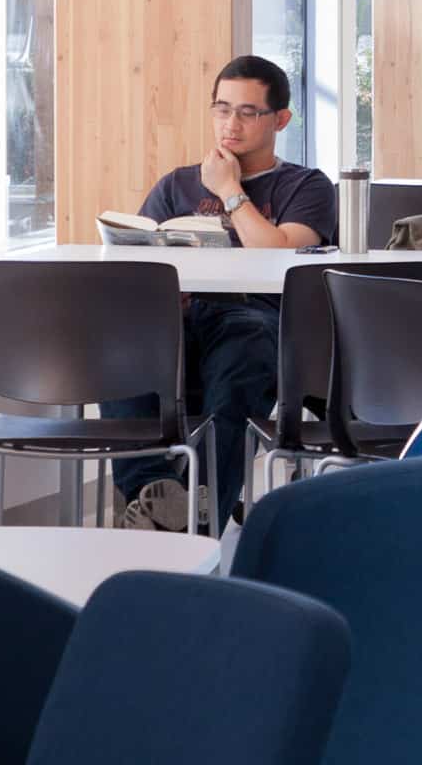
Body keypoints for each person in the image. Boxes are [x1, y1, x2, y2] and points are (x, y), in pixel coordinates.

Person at [109, 55, 335, 533]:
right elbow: (139, 262)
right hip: (180, 320)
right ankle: (158, 493)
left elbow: (273, 255)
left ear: (281, 120)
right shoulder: (175, 184)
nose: (231, 124)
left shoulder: (306, 186)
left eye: (248, 112)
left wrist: (230, 190)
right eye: (222, 109)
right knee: (121, 334)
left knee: (243, 351)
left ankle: (202, 510)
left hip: (254, 318)